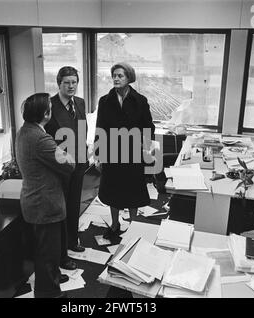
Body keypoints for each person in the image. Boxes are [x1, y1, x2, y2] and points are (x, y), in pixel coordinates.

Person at [15, 93, 75, 298]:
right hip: (45, 204)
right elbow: (68, 164)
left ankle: (53, 277)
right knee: (47, 254)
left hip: (35, 200)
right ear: (46, 114)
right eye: (50, 107)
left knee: (48, 248)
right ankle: (49, 293)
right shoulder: (40, 138)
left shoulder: (25, 131)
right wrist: (67, 153)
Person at [95, 62, 155, 239]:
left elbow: (148, 127)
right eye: (114, 75)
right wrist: (98, 156)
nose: (116, 78)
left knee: (133, 189)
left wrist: (146, 149)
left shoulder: (140, 100)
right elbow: (100, 129)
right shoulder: (105, 101)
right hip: (112, 152)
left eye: (120, 75)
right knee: (113, 190)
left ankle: (134, 224)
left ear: (129, 78)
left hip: (133, 153)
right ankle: (115, 224)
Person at [45, 66, 88, 254]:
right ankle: (61, 249)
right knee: (61, 209)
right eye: (67, 83)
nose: (71, 86)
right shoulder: (49, 106)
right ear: (58, 84)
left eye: (74, 82)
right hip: (59, 167)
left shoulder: (79, 102)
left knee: (74, 204)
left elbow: (82, 130)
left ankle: (72, 240)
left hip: (78, 163)